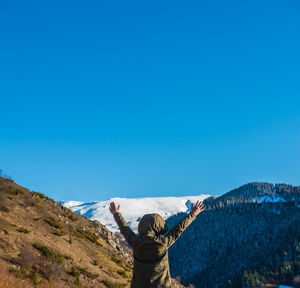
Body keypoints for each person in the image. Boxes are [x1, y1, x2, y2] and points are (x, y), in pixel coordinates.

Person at [109, 200, 205, 288]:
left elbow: (124, 228)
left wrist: (116, 214)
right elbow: (179, 229)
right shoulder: (163, 242)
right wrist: (193, 213)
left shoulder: (136, 242)